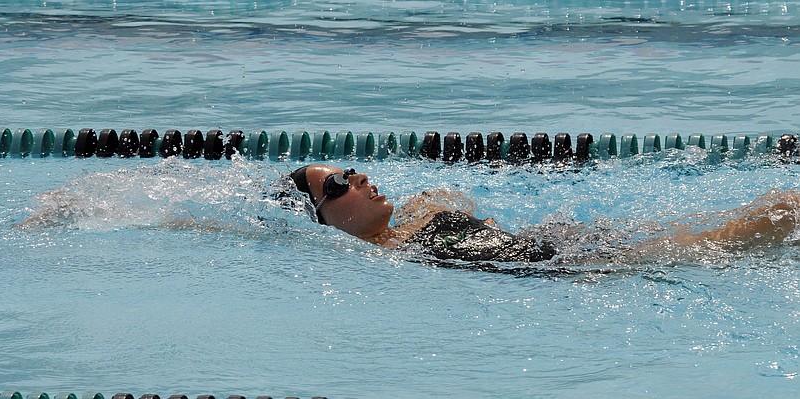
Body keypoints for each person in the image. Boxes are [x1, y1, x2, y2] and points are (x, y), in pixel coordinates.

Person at [289, 163, 800, 265]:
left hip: (559, 237)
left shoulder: (407, 229)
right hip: (571, 265)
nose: (356, 179)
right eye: (335, 184)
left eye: (352, 170)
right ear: (322, 220)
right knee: (770, 220)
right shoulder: (382, 260)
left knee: (756, 212)